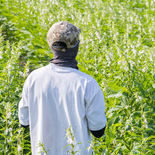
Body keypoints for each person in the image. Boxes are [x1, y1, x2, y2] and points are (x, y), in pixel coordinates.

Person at [18, 21, 107, 155]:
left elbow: (24, 122)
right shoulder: (87, 83)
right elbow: (98, 131)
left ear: (50, 45)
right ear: (76, 46)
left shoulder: (34, 78)